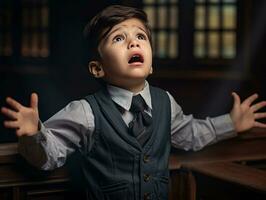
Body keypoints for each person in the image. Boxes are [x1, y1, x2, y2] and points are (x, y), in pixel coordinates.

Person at [1, 4, 266, 200]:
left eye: (140, 37)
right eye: (118, 38)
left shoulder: (165, 102)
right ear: (97, 69)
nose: (132, 42)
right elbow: (50, 156)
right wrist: (33, 135)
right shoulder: (84, 112)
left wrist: (231, 123)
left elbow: (191, 134)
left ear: (150, 65)